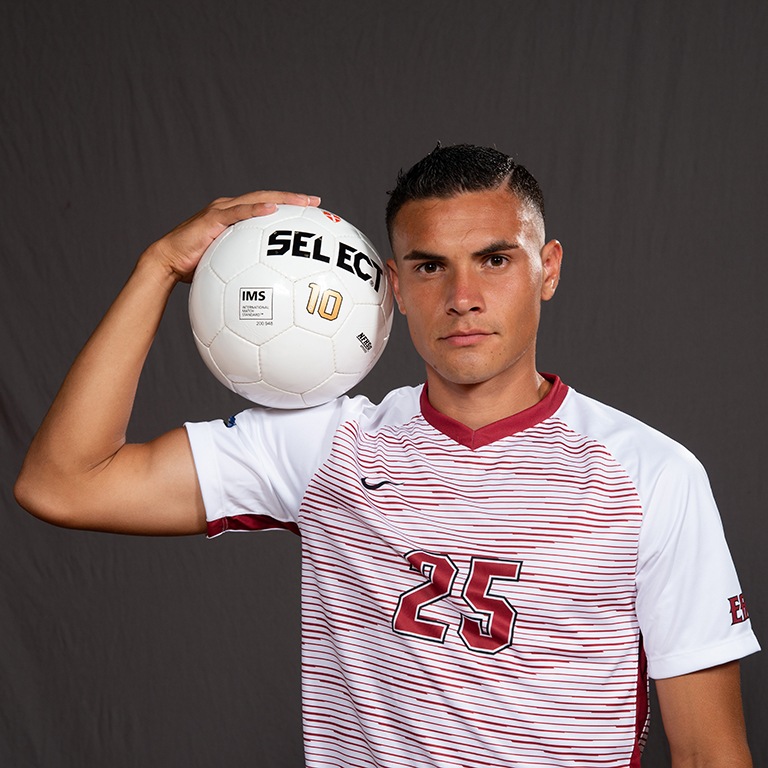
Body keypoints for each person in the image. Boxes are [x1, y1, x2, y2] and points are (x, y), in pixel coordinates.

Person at [15, 144, 759, 767]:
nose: (463, 296)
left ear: (549, 268)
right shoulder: (329, 444)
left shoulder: (650, 476)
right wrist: (157, 269)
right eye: (431, 267)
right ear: (395, 288)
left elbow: (708, 754)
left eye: (495, 259)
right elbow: (65, 483)